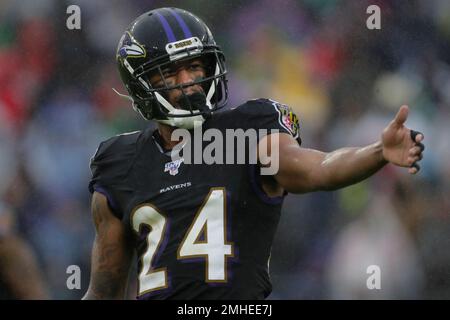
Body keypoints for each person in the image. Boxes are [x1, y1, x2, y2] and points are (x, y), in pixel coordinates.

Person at [83, 7, 425, 300]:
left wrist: (377, 151)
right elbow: (103, 290)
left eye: (194, 67)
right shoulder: (119, 162)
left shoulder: (247, 130)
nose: (187, 82)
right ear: (140, 84)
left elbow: (316, 168)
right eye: (170, 72)